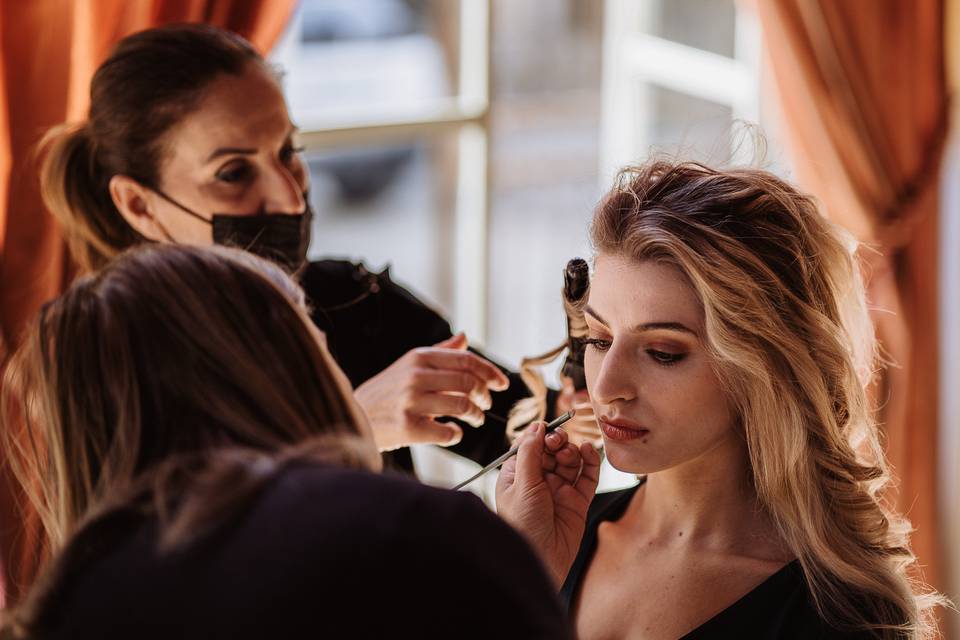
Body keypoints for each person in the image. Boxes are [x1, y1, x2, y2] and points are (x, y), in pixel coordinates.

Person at [38, 22, 595, 473]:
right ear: (139, 205)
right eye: (233, 173)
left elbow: (523, 429)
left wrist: (568, 418)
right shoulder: (97, 360)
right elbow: (171, 574)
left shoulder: (355, 303)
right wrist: (349, 427)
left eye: (289, 150)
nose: (287, 195)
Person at [0, 244, 573, 639]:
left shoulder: (64, 608)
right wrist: (508, 569)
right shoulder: (416, 538)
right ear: (273, 365)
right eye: (314, 334)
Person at [496, 161, 946, 638]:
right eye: (600, 339)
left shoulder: (841, 618)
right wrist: (525, 578)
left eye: (663, 353)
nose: (606, 387)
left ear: (763, 367)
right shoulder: (557, 537)